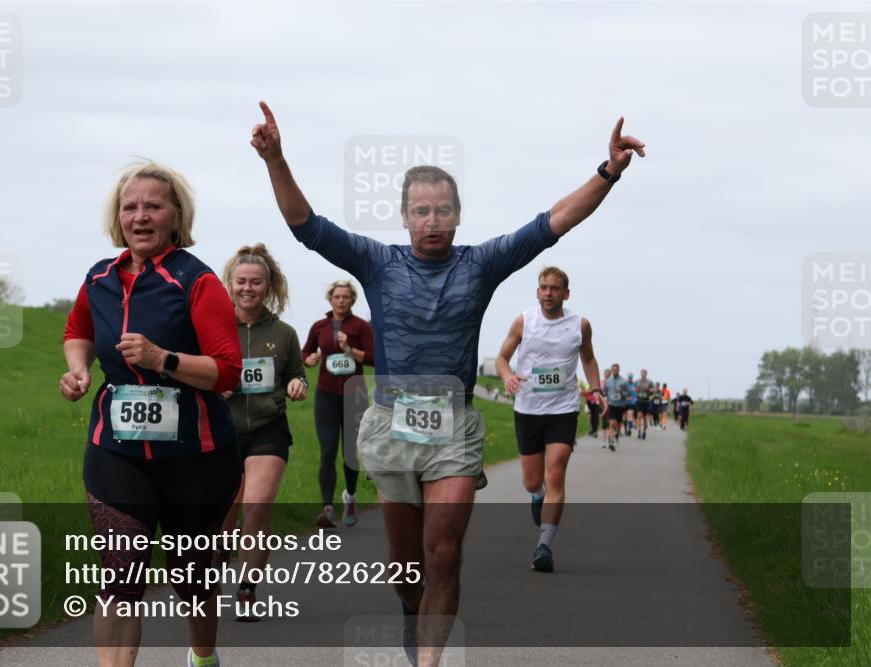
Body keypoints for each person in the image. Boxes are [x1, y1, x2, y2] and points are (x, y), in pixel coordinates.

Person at [250, 100, 644, 667]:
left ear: (458, 215)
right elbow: (306, 226)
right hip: (391, 422)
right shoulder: (377, 262)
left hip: (453, 425)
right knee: (406, 568)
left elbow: (555, 222)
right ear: (404, 217)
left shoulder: (479, 264)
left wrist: (607, 172)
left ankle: (430, 660)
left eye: (442, 210)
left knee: (442, 553)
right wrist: (275, 159)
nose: (431, 221)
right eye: (421, 211)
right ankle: (413, 616)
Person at [60, 160, 242, 667]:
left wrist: (163, 359)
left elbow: (227, 371)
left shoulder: (197, 281)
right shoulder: (99, 277)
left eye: (153, 206)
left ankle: (203, 657)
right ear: (117, 217)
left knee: (193, 577)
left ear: (176, 215)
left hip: (197, 456)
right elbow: (78, 332)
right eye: (129, 207)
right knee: (120, 577)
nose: (140, 217)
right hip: (117, 449)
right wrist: (78, 370)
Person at [495, 266, 606, 572]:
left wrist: (596, 389)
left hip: (563, 409)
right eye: (543, 287)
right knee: (532, 481)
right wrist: (507, 377)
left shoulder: (580, 325)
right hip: (528, 409)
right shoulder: (524, 321)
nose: (548, 293)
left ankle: (544, 545)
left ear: (565, 294)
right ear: (537, 291)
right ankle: (538, 495)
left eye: (554, 288)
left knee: (555, 472)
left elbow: (588, 359)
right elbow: (502, 358)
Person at [219, 244, 308, 619]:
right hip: (222, 431)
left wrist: (297, 386)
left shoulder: (284, 334)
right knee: (224, 518)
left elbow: (297, 375)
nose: (248, 288)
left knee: (256, 508)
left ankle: (246, 590)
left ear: (268, 286)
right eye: (241, 281)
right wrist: (214, 387)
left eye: (256, 282)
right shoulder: (213, 328)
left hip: (268, 430)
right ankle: (210, 583)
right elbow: (195, 373)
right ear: (230, 284)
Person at [302, 279, 374, 528]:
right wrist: (309, 360)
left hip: (354, 396)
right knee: (328, 451)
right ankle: (327, 508)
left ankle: (350, 497)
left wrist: (349, 350)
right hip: (326, 395)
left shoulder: (360, 326)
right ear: (330, 299)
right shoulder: (319, 327)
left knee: (350, 454)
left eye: (346, 297)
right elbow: (305, 352)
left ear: (352, 300)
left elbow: (375, 358)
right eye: (337, 296)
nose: (341, 300)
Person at [603, 364, 630, 452]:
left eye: (615, 369)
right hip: (611, 404)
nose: (614, 371)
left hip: (620, 405)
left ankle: (617, 434)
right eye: (613, 369)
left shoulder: (623, 381)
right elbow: (604, 392)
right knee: (612, 423)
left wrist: (621, 392)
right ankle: (612, 442)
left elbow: (628, 394)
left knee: (618, 423)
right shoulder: (607, 381)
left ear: (618, 370)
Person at [634, 369, 654, 440]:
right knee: (639, 415)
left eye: (644, 373)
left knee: (645, 417)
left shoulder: (650, 382)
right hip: (639, 400)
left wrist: (648, 389)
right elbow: (634, 389)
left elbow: (653, 391)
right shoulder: (637, 382)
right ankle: (639, 432)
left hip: (646, 401)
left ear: (646, 374)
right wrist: (636, 390)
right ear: (640, 374)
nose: (643, 374)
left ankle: (644, 431)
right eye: (642, 373)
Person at [600, 367, 613, 448]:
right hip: (602, 405)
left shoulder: (612, 383)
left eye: (608, 375)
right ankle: (604, 442)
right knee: (604, 424)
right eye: (605, 374)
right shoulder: (601, 382)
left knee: (610, 423)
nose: (606, 376)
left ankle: (609, 440)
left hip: (611, 404)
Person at [624, 372, 637, 436]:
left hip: (632, 403)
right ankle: (625, 430)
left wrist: (635, 399)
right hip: (624, 402)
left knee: (630, 414)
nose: (630, 379)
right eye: (629, 378)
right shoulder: (625, 384)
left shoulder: (634, 385)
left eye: (631, 378)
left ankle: (629, 429)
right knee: (624, 416)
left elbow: (636, 393)